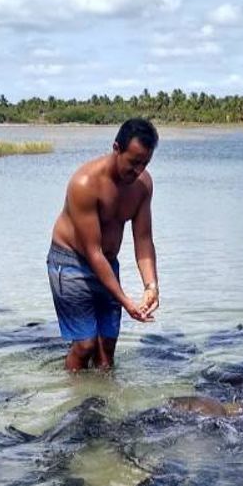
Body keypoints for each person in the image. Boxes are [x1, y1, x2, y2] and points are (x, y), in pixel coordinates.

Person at [47, 118, 160, 371]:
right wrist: (126, 302)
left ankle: (105, 400)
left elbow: (143, 239)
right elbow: (93, 252)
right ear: (116, 148)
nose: (138, 171)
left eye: (145, 163)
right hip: (71, 262)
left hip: (107, 263)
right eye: (133, 162)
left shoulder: (142, 186)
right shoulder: (85, 184)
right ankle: (76, 403)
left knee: (107, 348)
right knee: (85, 345)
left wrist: (151, 285)